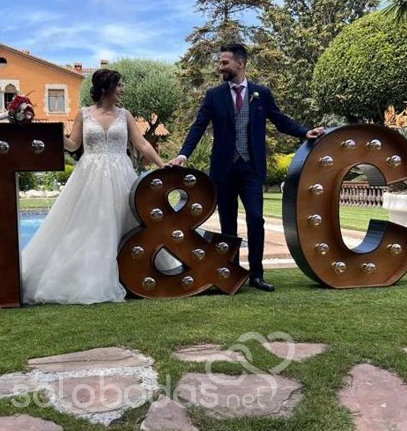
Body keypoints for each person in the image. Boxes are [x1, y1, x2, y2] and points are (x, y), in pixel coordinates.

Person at [168, 43, 325, 292]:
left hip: (251, 169)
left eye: (224, 63)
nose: (221, 67)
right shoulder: (214, 95)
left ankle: (257, 275)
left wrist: (305, 132)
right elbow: (198, 126)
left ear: (239, 64)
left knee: (255, 218)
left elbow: (280, 121)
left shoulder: (261, 93)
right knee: (228, 223)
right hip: (224, 169)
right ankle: (232, 274)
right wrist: (183, 154)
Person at [21, 69, 167, 305]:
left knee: (126, 221)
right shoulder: (84, 113)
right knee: (91, 225)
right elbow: (73, 144)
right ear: (105, 88)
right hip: (90, 175)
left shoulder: (125, 115)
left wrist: (162, 165)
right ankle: (88, 278)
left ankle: (134, 273)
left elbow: (141, 144)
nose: (122, 89)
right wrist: (53, 134)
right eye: (119, 85)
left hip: (121, 173)